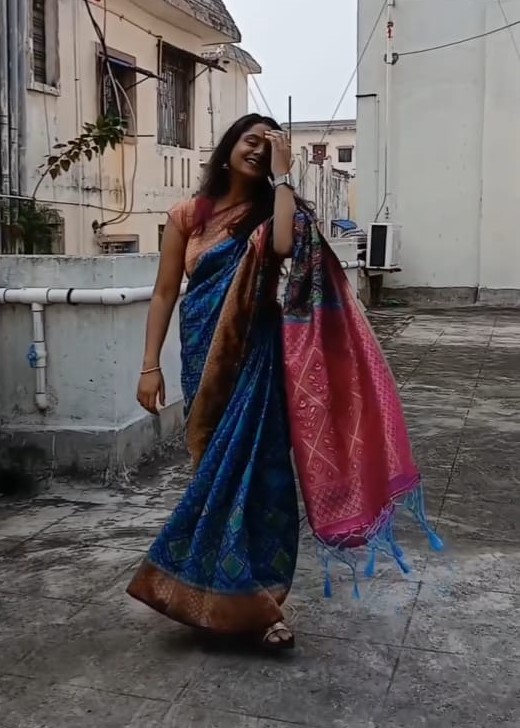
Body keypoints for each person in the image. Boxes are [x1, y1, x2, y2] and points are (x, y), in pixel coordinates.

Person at [127, 114, 441, 651]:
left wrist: (284, 176)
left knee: (265, 481)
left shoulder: (275, 209)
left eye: (269, 144)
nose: (257, 150)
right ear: (229, 147)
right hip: (205, 361)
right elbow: (163, 293)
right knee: (213, 476)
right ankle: (211, 596)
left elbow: (280, 247)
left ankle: (265, 607)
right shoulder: (187, 215)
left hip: (261, 361)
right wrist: (149, 364)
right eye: (250, 140)